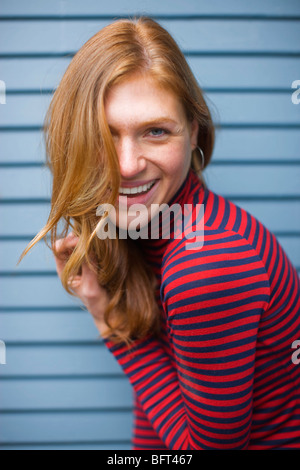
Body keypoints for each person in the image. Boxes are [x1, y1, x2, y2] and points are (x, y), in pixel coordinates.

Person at [21, 17, 300, 450]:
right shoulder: (164, 224)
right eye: (103, 135)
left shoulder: (206, 265)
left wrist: (107, 319)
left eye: (155, 131)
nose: (128, 164)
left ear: (193, 132)